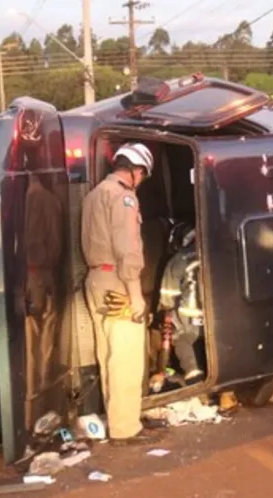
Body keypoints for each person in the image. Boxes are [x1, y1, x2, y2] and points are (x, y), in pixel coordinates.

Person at [81, 142, 163, 446]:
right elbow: (127, 248)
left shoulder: (94, 195)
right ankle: (125, 428)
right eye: (142, 175)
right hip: (117, 280)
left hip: (95, 278)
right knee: (126, 356)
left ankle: (118, 420)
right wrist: (135, 294)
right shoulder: (123, 197)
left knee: (108, 355)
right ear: (137, 170)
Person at [154, 226, 204, 390]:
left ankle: (192, 371)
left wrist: (164, 311)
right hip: (214, 312)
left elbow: (168, 296)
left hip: (188, 313)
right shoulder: (213, 254)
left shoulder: (178, 260)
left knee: (180, 338)